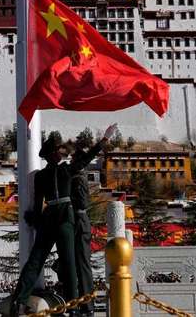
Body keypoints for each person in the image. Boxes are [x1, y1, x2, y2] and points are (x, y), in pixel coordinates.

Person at [8, 124, 117, 317]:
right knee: (69, 263)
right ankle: (73, 306)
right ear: (53, 155)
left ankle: (20, 299)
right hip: (65, 217)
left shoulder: (40, 176)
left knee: (35, 260)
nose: (60, 153)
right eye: (58, 151)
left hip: (49, 216)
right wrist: (104, 140)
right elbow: (86, 158)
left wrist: (37, 221)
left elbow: (37, 204)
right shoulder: (66, 170)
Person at [69, 126, 114, 317]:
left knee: (82, 264)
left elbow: (86, 158)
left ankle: (86, 305)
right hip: (77, 220)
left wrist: (103, 141)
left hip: (79, 220)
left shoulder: (76, 174)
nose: (70, 160)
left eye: (72, 159)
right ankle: (81, 303)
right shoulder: (76, 175)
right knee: (75, 264)